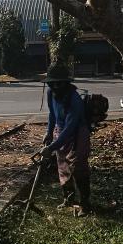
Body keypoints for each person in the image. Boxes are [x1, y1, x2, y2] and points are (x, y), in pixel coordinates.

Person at [41, 64, 91, 215]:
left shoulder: (74, 99)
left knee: (78, 168)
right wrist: (49, 133)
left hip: (77, 133)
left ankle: (85, 204)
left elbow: (70, 128)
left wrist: (51, 147)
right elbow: (52, 114)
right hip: (60, 131)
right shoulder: (50, 93)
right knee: (63, 166)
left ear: (66, 82)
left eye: (59, 83)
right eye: (53, 83)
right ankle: (68, 199)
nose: (56, 86)